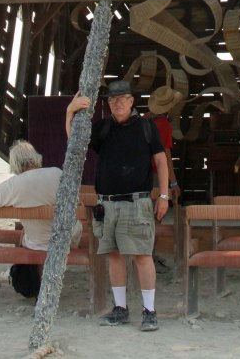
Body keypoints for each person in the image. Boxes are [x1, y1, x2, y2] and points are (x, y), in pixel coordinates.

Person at [67, 79, 169, 332]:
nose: (118, 103)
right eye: (113, 99)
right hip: (107, 205)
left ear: (132, 101)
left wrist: (164, 196)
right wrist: (69, 111)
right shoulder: (102, 128)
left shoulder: (147, 127)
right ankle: (120, 309)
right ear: (109, 103)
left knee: (142, 256)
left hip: (137, 202)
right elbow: (75, 144)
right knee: (114, 256)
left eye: (123, 98)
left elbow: (161, 160)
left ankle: (149, 311)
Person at [0, 139, 82, 296]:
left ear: (14, 164)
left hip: (39, 242)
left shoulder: (14, 185)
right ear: (36, 158)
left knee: (26, 234)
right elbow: (78, 202)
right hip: (69, 238)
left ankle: (35, 282)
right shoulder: (57, 173)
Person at [144, 84, 183, 272]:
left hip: (138, 175)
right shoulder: (164, 125)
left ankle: (144, 256)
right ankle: (150, 258)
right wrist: (173, 183)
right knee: (156, 216)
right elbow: (165, 156)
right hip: (154, 175)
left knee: (143, 217)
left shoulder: (141, 120)